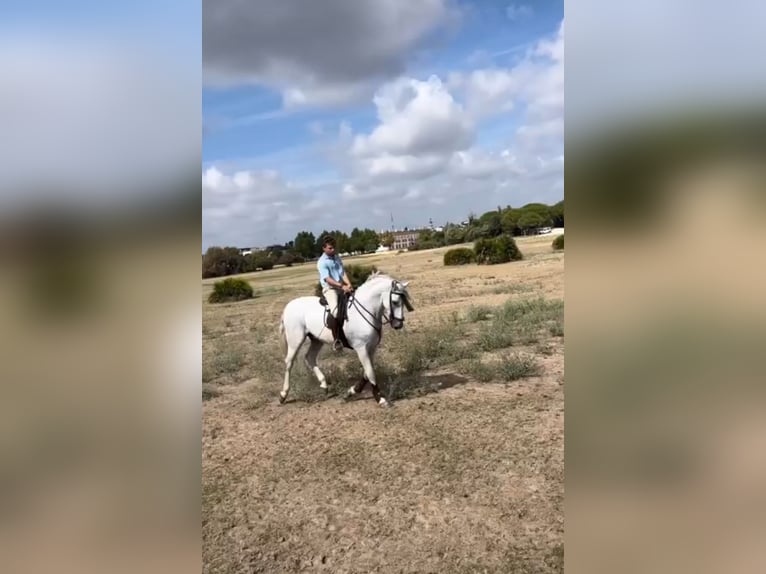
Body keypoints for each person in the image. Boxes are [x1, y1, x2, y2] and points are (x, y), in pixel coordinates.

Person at [317, 235, 353, 350]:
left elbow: (342, 273)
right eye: (330, 248)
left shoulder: (337, 258)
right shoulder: (321, 262)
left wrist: (349, 284)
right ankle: (337, 339)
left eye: (334, 248)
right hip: (330, 289)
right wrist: (342, 286)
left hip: (341, 287)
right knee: (336, 312)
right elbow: (327, 279)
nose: (333, 250)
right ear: (324, 248)